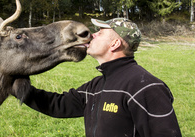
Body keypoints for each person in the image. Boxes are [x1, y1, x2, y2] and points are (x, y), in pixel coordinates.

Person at [14, 18, 182, 137]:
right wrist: (14, 86)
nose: (92, 35)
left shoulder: (145, 87)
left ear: (115, 44)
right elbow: (58, 105)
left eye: (100, 33)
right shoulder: (96, 86)